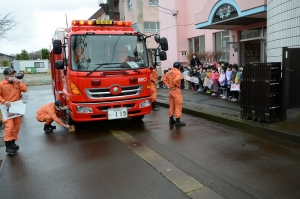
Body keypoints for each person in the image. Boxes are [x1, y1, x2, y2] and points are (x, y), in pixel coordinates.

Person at [0, 68, 28, 155]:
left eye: (13, 74)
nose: (12, 76)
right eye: (10, 74)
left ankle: (13, 142)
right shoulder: (1, 84)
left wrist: (19, 82)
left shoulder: (17, 82)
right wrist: (4, 101)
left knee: (17, 125)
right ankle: (8, 145)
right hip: (7, 108)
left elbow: (25, 89)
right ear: (5, 76)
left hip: (17, 107)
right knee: (9, 126)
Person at [162, 61, 185, 126]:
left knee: (172, 106)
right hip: (176, 90)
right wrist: (174, 85)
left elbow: (163, 78)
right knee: (178, 105)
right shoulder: (178, 72)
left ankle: (171, 120)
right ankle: (177, 121)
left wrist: (169, 85)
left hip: (171, 90)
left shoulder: (169, 72)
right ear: (179, 66)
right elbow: (176, 80)